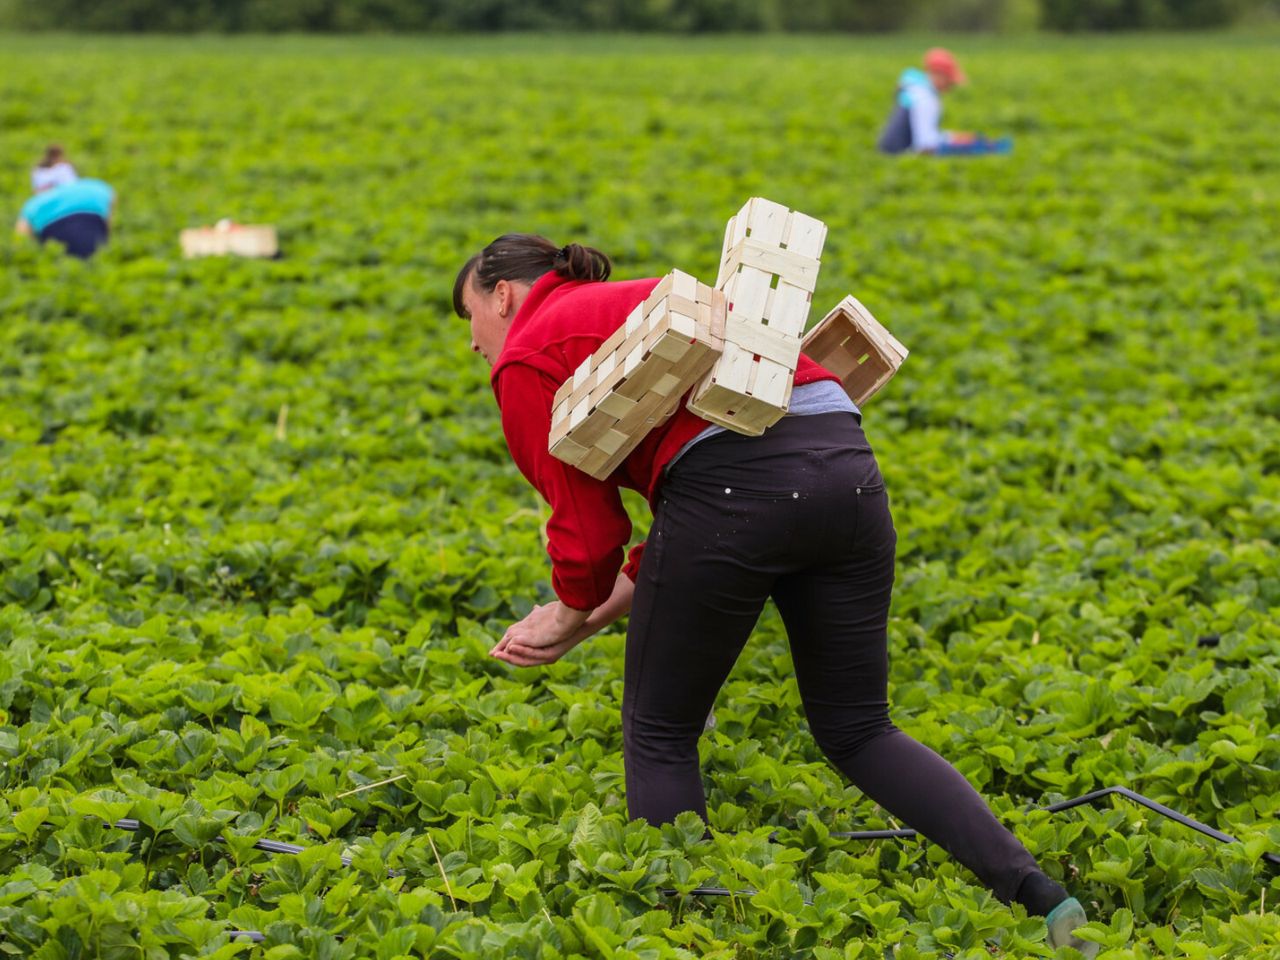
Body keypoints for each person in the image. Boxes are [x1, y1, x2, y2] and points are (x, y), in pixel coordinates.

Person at [454, 233, 1097, 956]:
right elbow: (683, 524)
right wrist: (589, 614)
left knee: (661, 735)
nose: (477, 345)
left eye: (470, 320)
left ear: (501, 294)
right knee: (859, 729)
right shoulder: (646, 300)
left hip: (728, 489)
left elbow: (590, 528)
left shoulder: (526, 352)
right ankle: (1044, 898)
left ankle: (684, 938)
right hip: (845, 468)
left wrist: (570, 610)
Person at [877, 48, 1011, 156]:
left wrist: (959, 138)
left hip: (891, 154)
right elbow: (926, 145)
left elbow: (927, 135)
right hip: (902, 156)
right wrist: (971, 146)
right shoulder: (926, 98)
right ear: (939, 75)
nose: (951, 85)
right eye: (950, 79)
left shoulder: (915, 90)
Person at [14, 145, 115, 259]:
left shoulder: (34, 204)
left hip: (60, 259)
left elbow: (21, 242)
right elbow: (108, 216)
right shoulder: (98, 188)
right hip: (96, 247)